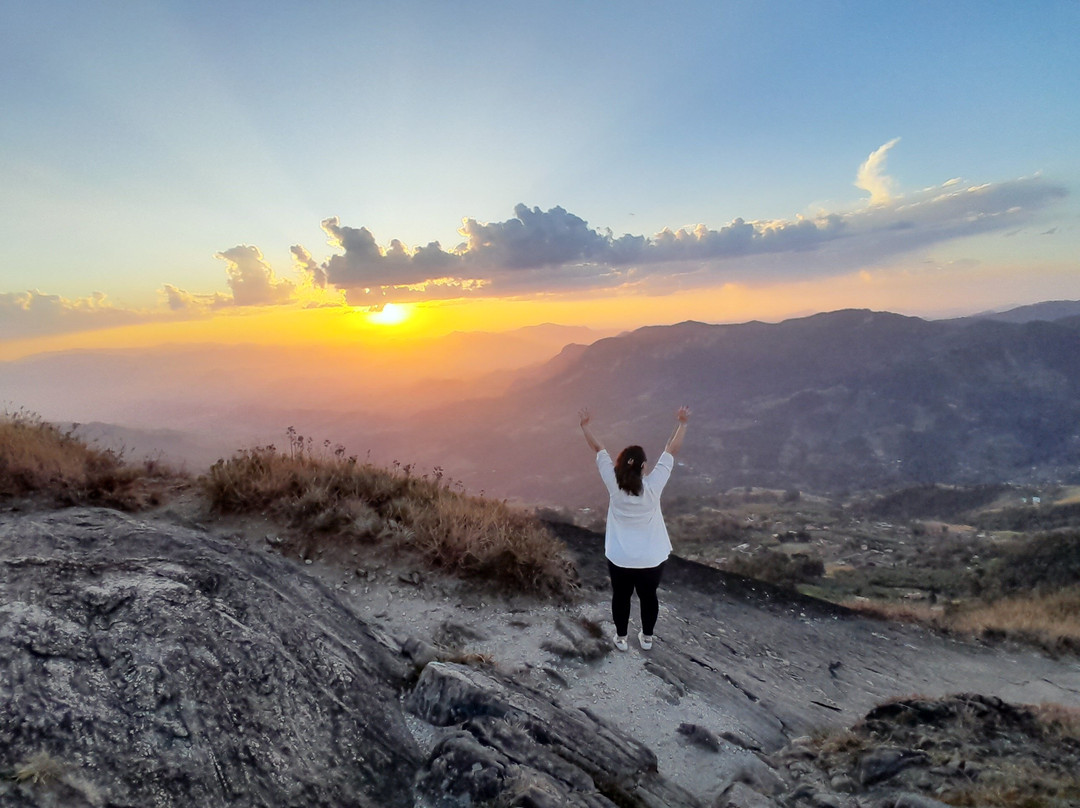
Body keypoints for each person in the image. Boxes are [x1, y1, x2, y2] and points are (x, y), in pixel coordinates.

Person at [579, 406, 690, 651]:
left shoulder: (613, 484)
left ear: (621, 465)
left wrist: (585, 426)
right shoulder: (653, 487)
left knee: (621, 596)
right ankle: (647, 638)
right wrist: (682, 423)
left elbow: (598, 448)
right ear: (643, 467)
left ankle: (621, 638)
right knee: (649, 597)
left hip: (620, 556)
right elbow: (671, 450)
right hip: (651, 558)